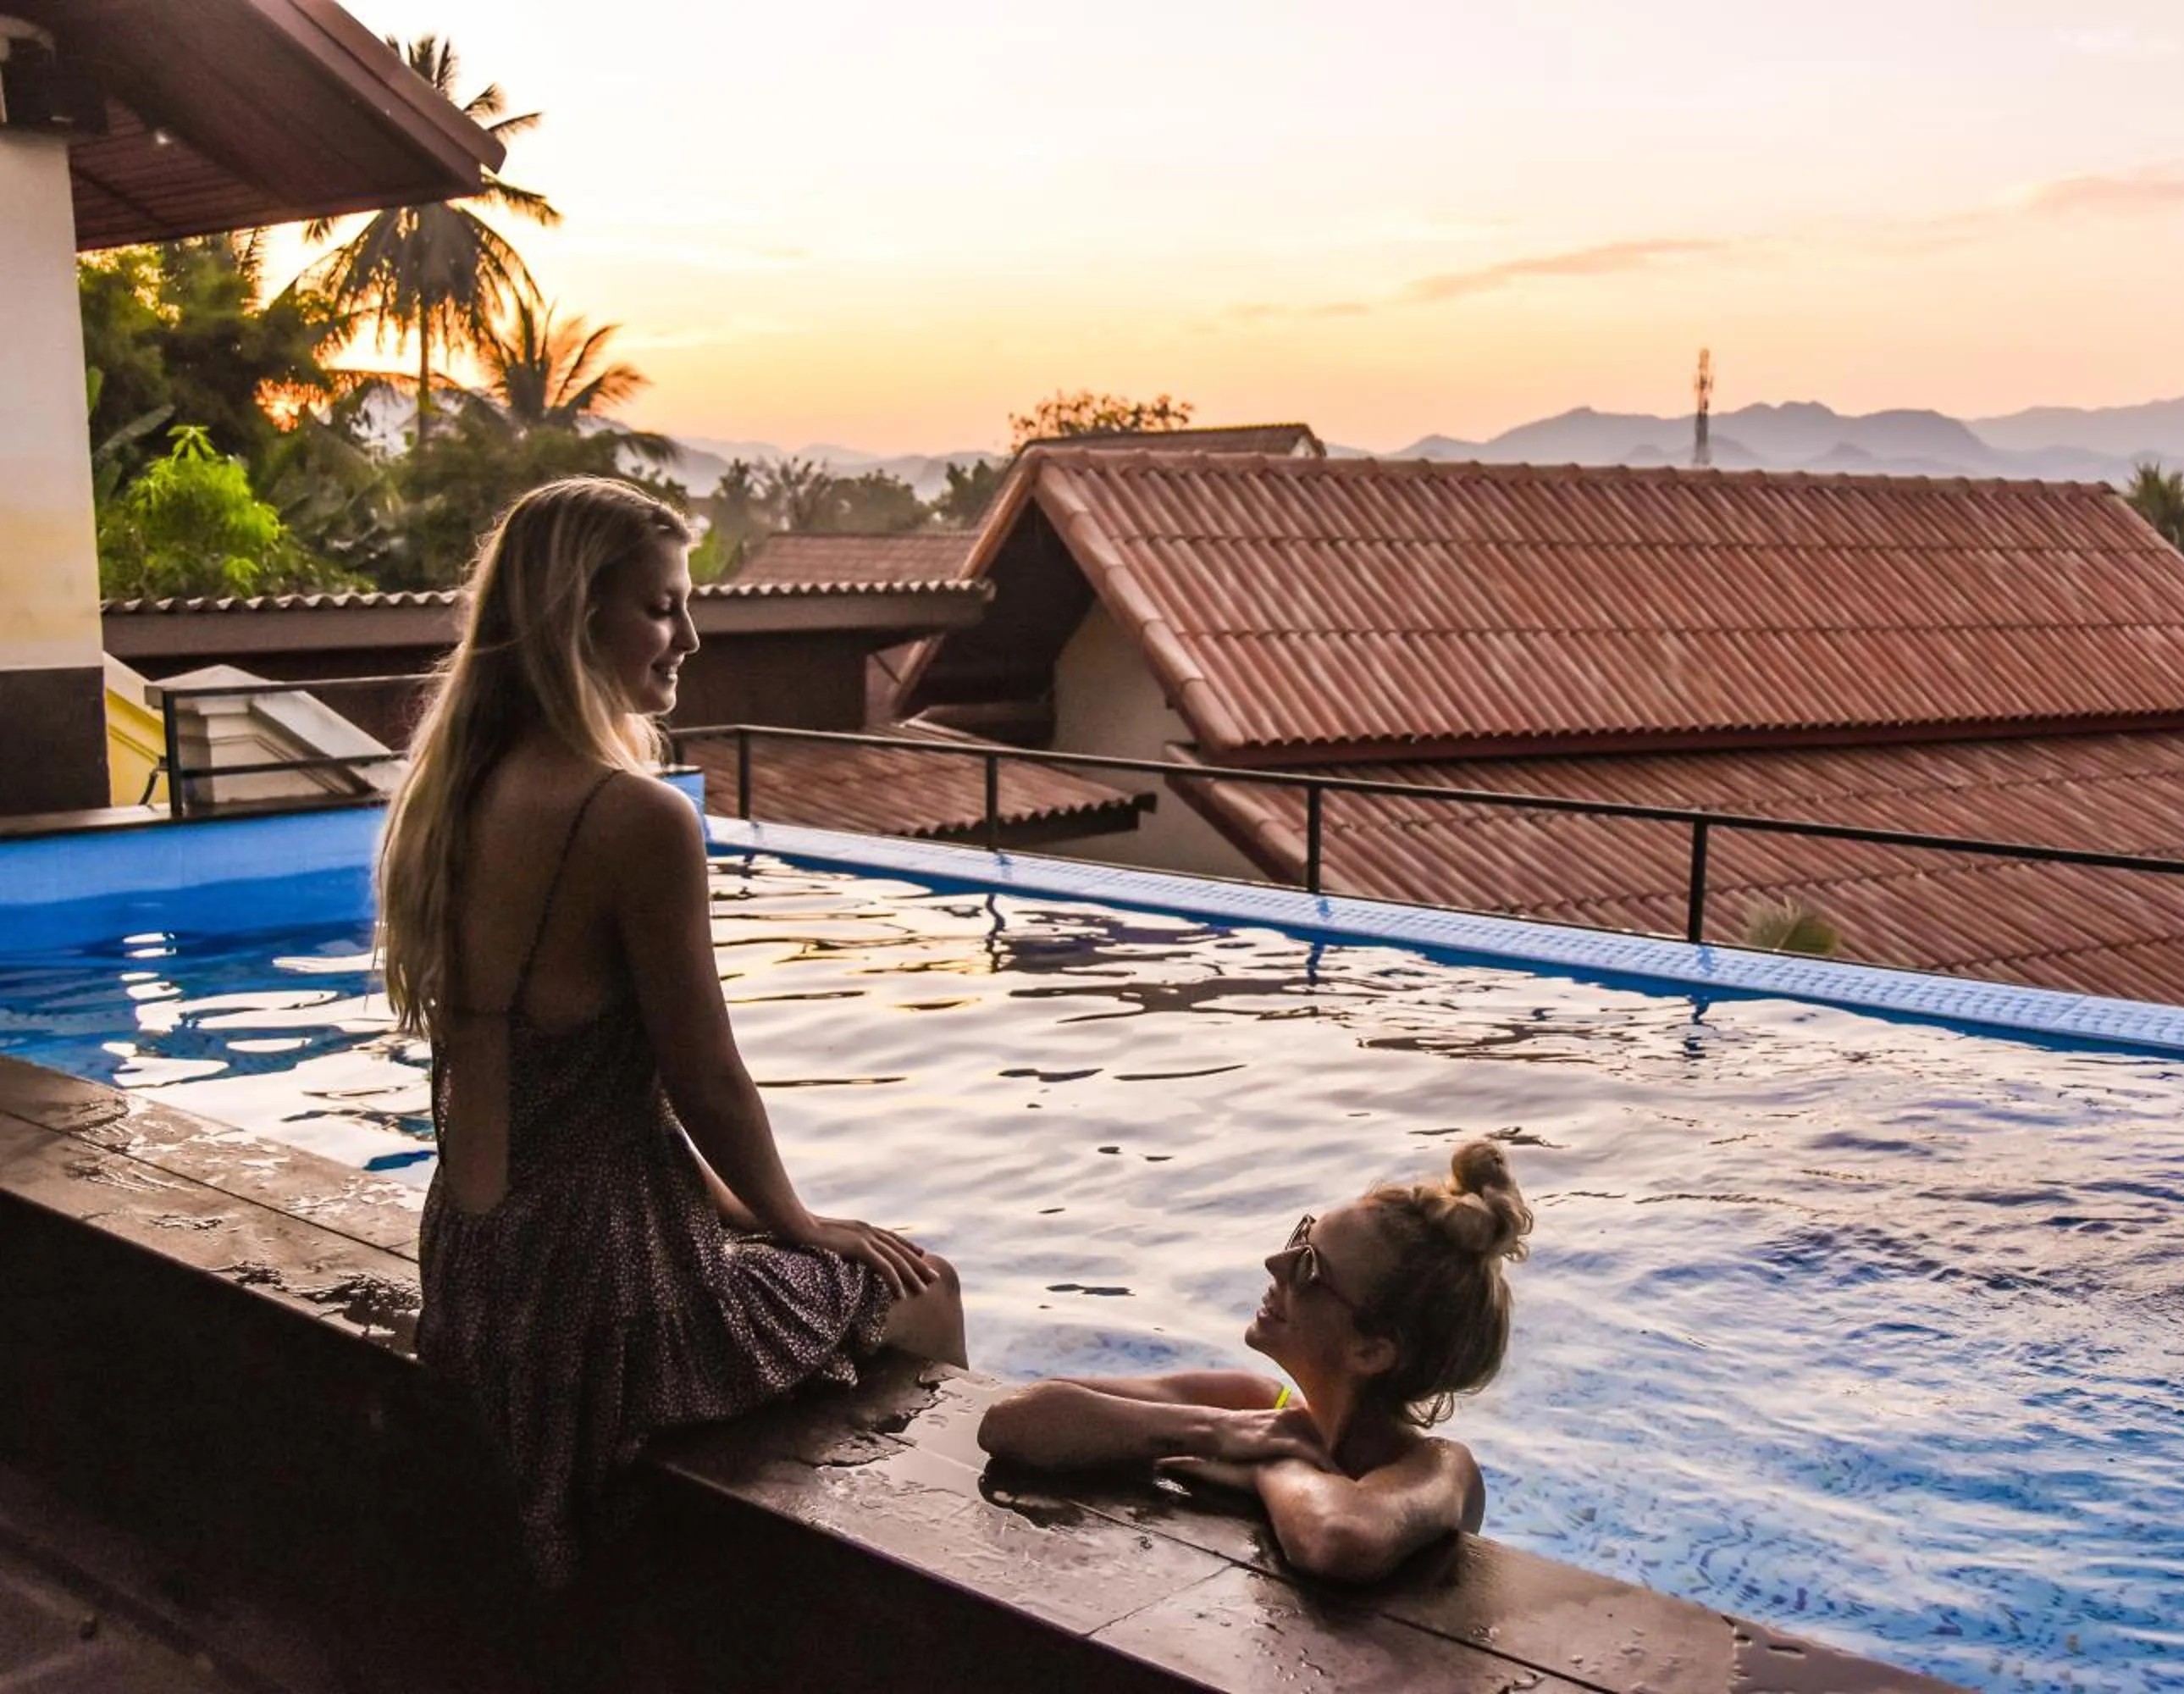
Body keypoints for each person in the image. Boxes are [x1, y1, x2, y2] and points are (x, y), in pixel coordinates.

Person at [374, 476, 965, 1585]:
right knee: (921, 1285)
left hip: (472, 1268)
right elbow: (706, 1079)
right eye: (660, 608)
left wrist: (755, 1217)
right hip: (601, 1292)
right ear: (571, 619)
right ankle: (926, 1598)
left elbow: (575, 1106)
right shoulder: (634, 816)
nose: (687, 637)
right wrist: (801, 1221)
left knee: (798, 1253)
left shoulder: (452, 796)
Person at [978, 1142, 1531, 1583]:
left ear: (1371, 1350)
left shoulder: (1441, 1468)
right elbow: (1014, 1420)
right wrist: (1220, 1430)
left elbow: (1337, 1536)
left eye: (1309, 1267)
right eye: (1300, 1237)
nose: (1275, 1263)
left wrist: (1266, 1458)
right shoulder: (1250, 1403)